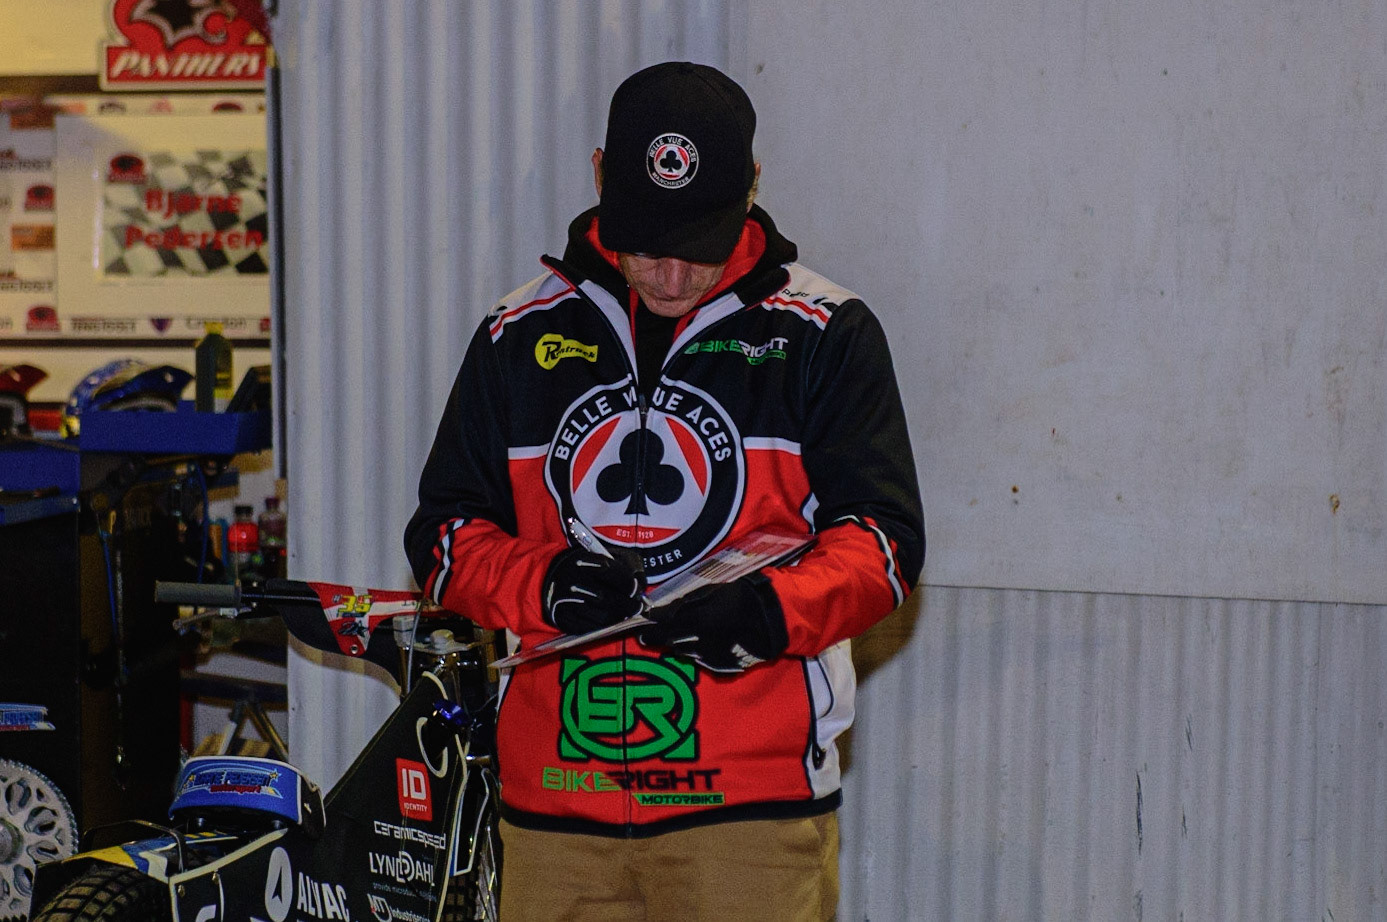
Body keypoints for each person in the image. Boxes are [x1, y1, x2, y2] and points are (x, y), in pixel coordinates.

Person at [405, 60, 924, 921]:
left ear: (752, 186)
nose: (670, 279)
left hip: (748, 815)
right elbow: (442, 539)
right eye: (647, 244)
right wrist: (540, 584)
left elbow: (886, 544)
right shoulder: (516, 331)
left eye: (698, 247)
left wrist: (769, 612)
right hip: (554, 811)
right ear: (599, 176)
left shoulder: (825, 331)